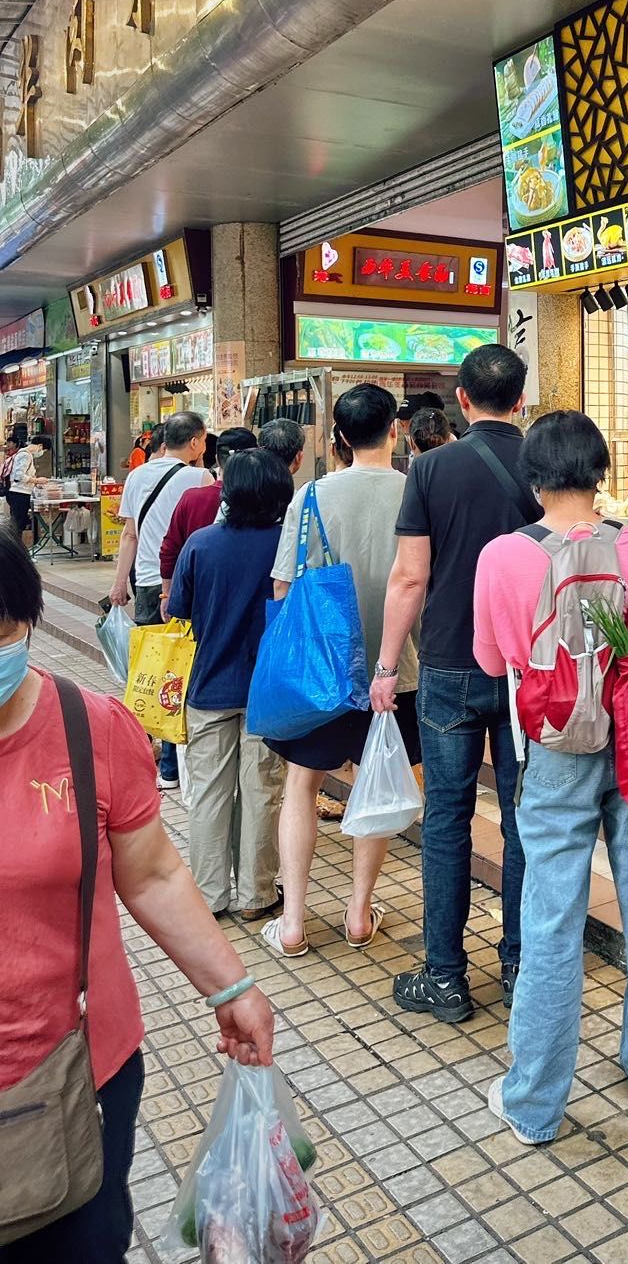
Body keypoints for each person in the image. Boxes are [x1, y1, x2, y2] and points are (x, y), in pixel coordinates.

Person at [0, 529, 274, 1263]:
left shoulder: (90, 728)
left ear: (24, 620)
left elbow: (151, 872)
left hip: (77, 1074)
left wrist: (233, 987)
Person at [475, 411, 628, 1145]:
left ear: (533, 478)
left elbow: (488, 659)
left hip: (556, 751)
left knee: (552, 920)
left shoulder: (502, 556)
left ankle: (534, 1104)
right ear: (599, 473)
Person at [373, 343, 536, 1023]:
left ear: (462, 402)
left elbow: (411, 576)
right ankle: (524, 963)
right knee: (528, 819)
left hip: (448, 663)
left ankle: (446, 975)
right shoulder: (549, 464)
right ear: (521, 401)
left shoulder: (430, 469)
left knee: (447, 819)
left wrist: (387, 667)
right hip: (530, 669)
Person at [262, 385, 421, 959]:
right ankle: (358, 914)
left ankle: (294, 924)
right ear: (395, 431)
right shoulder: (416, 491)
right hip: (397, 670)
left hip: (323, 673)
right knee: (372, 779)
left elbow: (283, 587)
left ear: (339, 437)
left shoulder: (307, 498)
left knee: (302, 785)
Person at [166, 451, 292, 920]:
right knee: (261, 791)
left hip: (209, 686)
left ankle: (208, 896)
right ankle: (256, 895)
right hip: (269, 694)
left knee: (209, 793)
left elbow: (177, 610)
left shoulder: (200, 545)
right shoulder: (286, 545)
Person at [109, 412, 211, 790]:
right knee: (185, 668)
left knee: (156, 670)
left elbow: (129, 536)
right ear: (197, 441)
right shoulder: (201, 478)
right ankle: (176, 761)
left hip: (149, 584)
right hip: (188, 585)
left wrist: (119, 584)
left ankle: (155, 760)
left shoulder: (136, 476)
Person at [158, 428, 258, 611]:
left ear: (218, 459)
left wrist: (168, 594)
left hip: (202, 594)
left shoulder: (193, 498)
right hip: (252, 595)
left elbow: (169, 549)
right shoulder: (266, 501)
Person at [6, 433, 40, 545]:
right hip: (19, 494)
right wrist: (37, 481)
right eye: (43, 450)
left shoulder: (21, 454)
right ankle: (16, 553)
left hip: (18, 493)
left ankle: (16, 552)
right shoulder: (25, 455)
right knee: (17, 526)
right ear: (40, 446)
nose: (41, 453)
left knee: (17, 525)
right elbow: (19, 476)